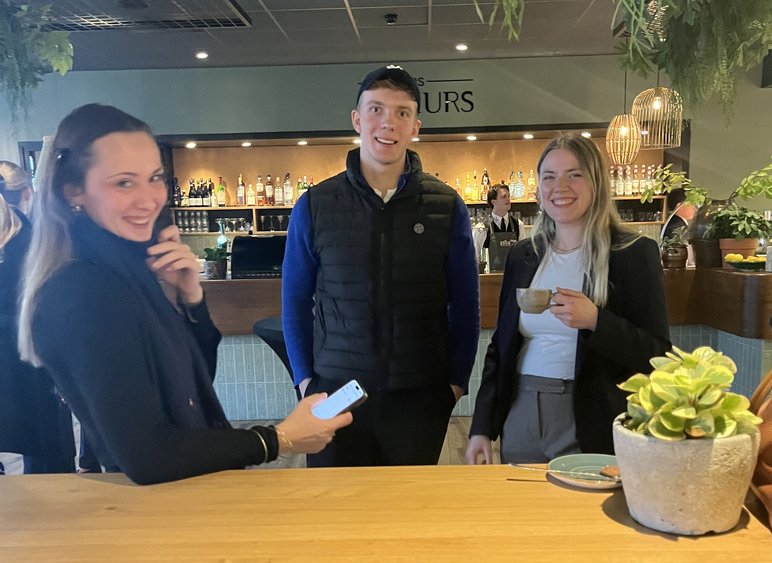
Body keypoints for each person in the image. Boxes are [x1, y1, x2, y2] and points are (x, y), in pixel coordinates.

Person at [16, 104, 352, 485]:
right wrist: (279, 439)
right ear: (74, 191)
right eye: (123, 183)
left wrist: (191, 299)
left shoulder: (129, 272)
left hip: (186, 491)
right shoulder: (84, 291)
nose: (148, 199)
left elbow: (194, 385)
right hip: (154, 504)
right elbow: (149, 455)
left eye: (154, 178)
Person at [282, 65, 480, 467]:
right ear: (357, 120)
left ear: (415, 127)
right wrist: (305, 381)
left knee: (410, 504)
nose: (388, 123)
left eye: (402, 113)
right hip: (335, 394)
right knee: (333, 501)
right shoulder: (316, 205)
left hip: (419, 398)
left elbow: (466, 304)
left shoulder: (446, 205)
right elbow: (295, 300)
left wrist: (455, 384)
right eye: (376, 109)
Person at [466, 133, 671, 464]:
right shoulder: (524, 255)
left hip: (593, 414)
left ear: (597, 182)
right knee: (518, 496)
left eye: (574, 175)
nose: (559, 187)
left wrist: (596, 321)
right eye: (549, 177)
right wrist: (482, 427)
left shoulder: (632, 254)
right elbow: (500, 348)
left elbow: (658, 354)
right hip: (522, 409)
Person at [0, 161, 75, 474]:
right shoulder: (33, 238)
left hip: (13, 346)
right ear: (26, 192)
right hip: (29, 345)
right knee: (45, 446)